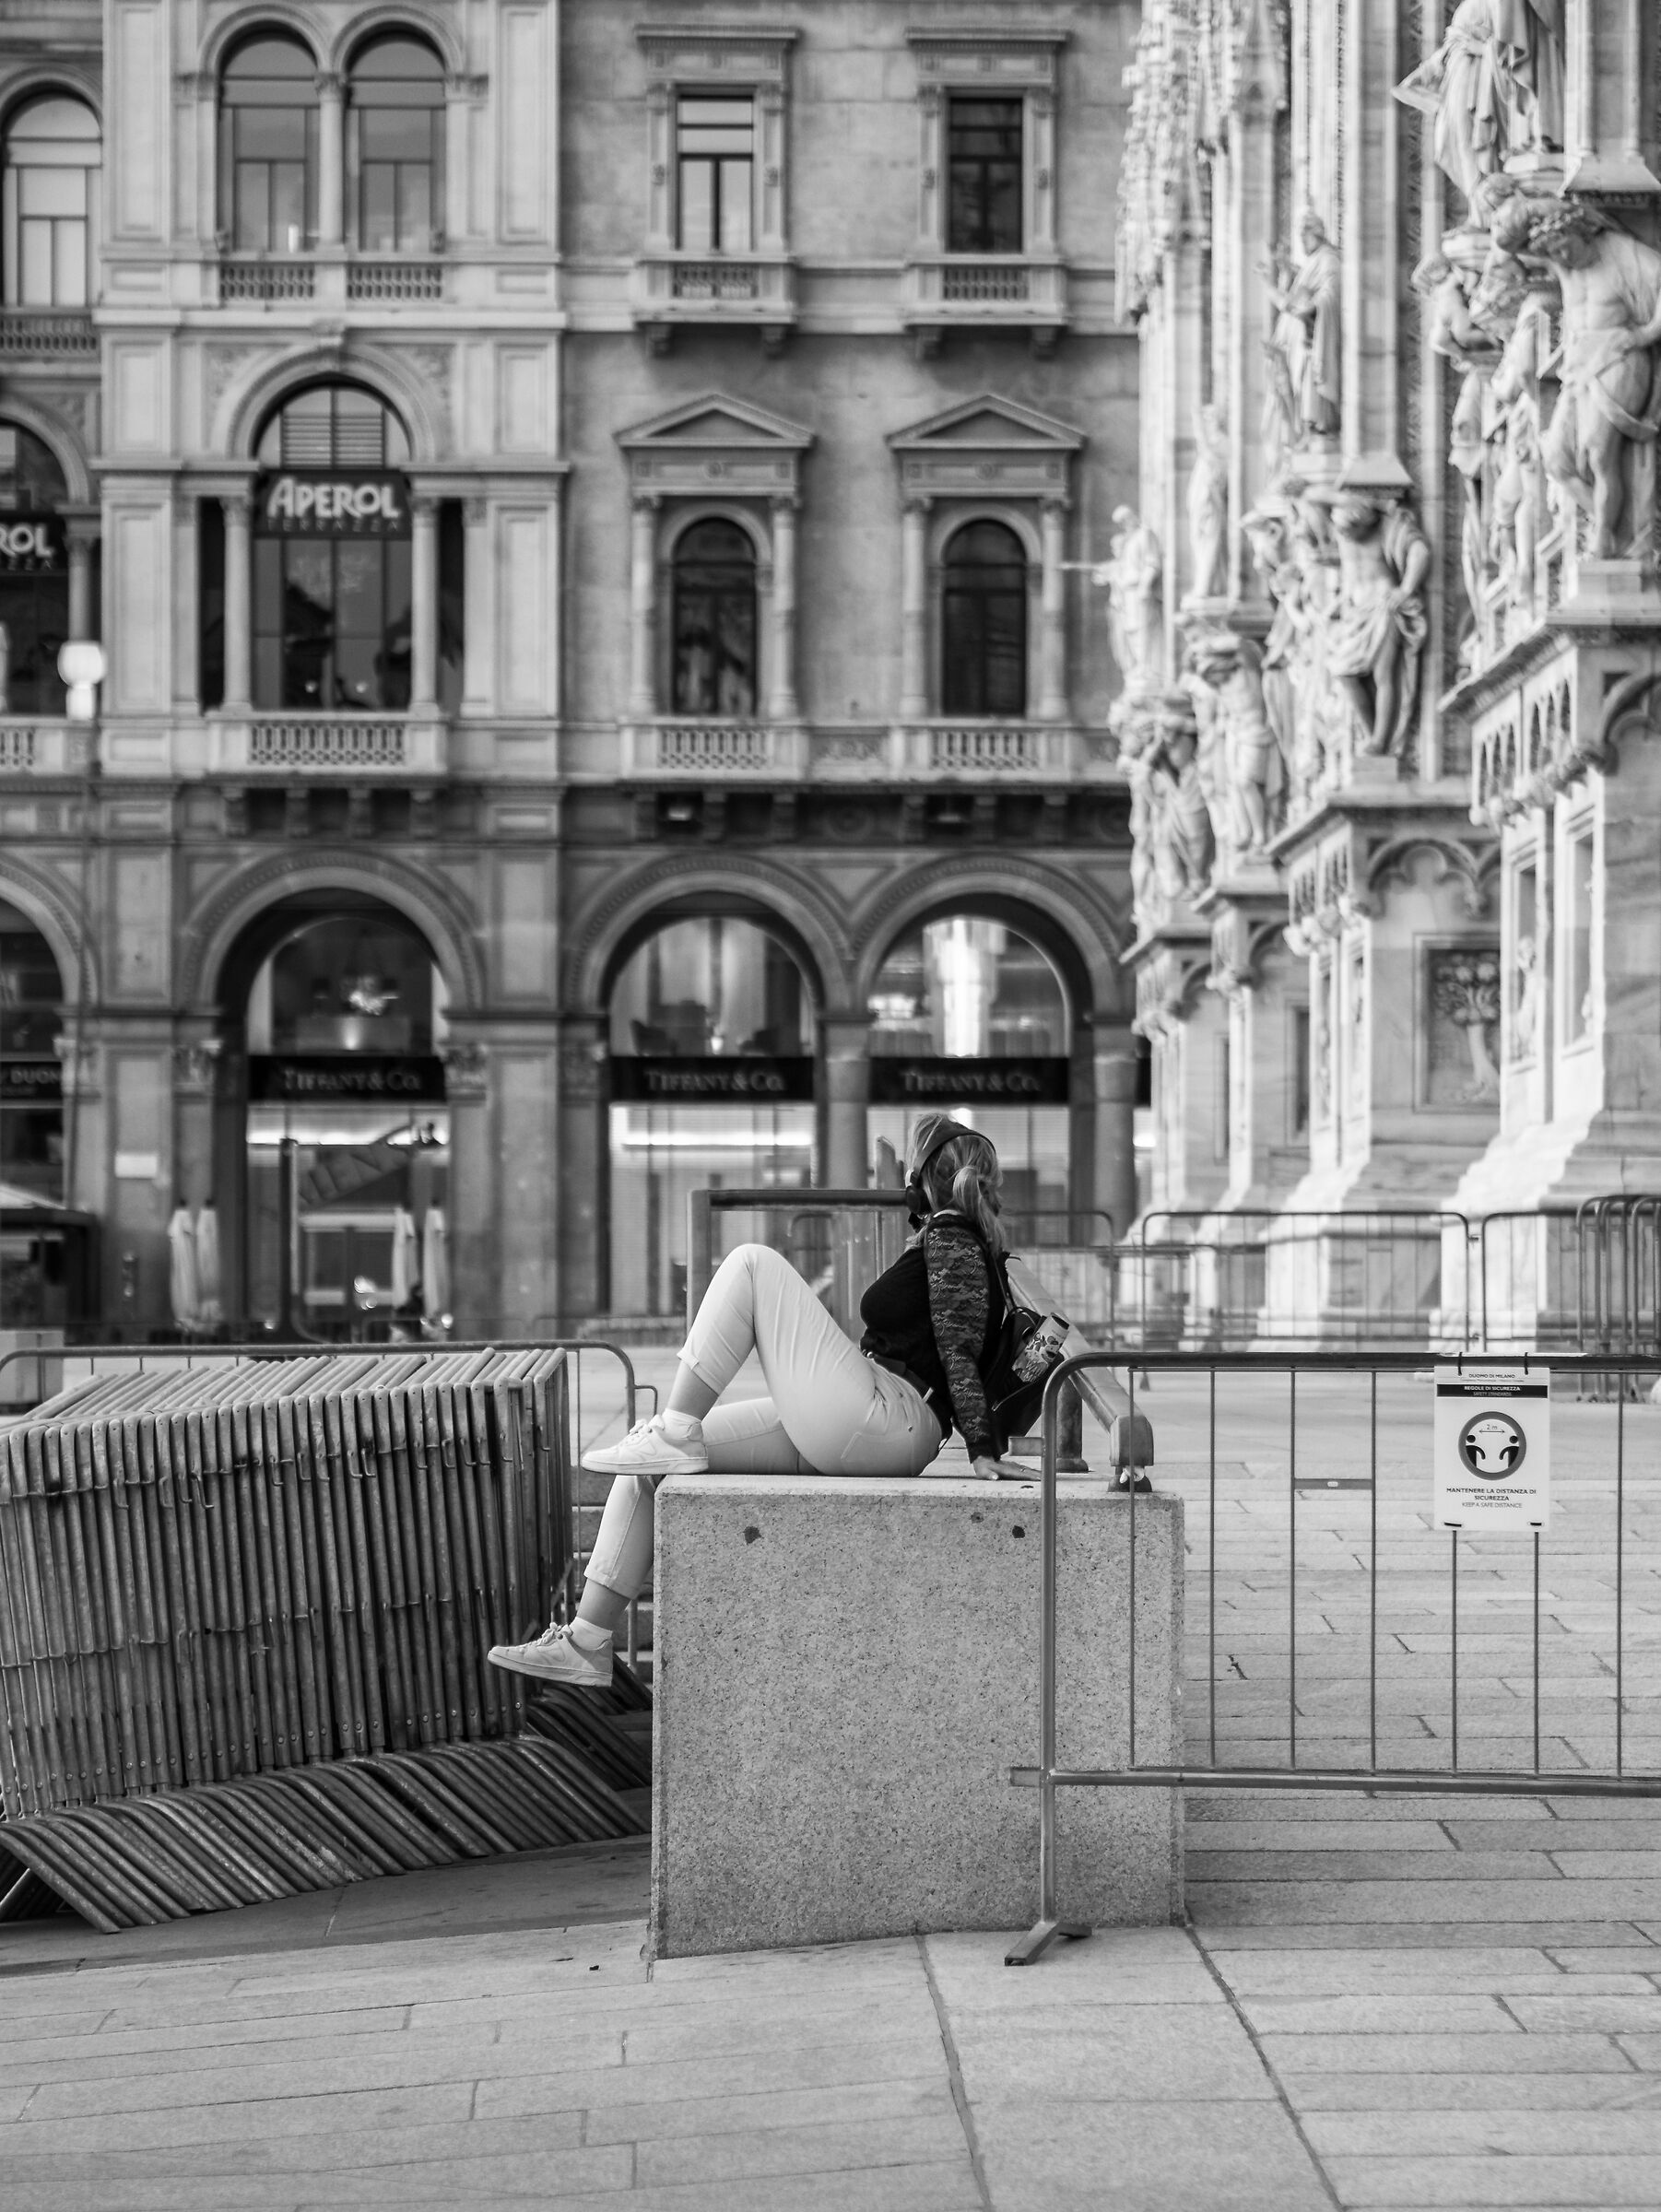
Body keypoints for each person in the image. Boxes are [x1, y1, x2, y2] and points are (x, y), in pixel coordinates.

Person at [488, 1115, 1030, 1688]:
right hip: (871, 1420)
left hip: (889, 1415)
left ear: (920, 1184)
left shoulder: (953, 1238)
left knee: (752, 1263)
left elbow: (957, 1349)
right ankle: (586, 1642)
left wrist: (981, 1449)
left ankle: (678, 1426)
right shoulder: (954, 1240)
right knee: (646, 1468)